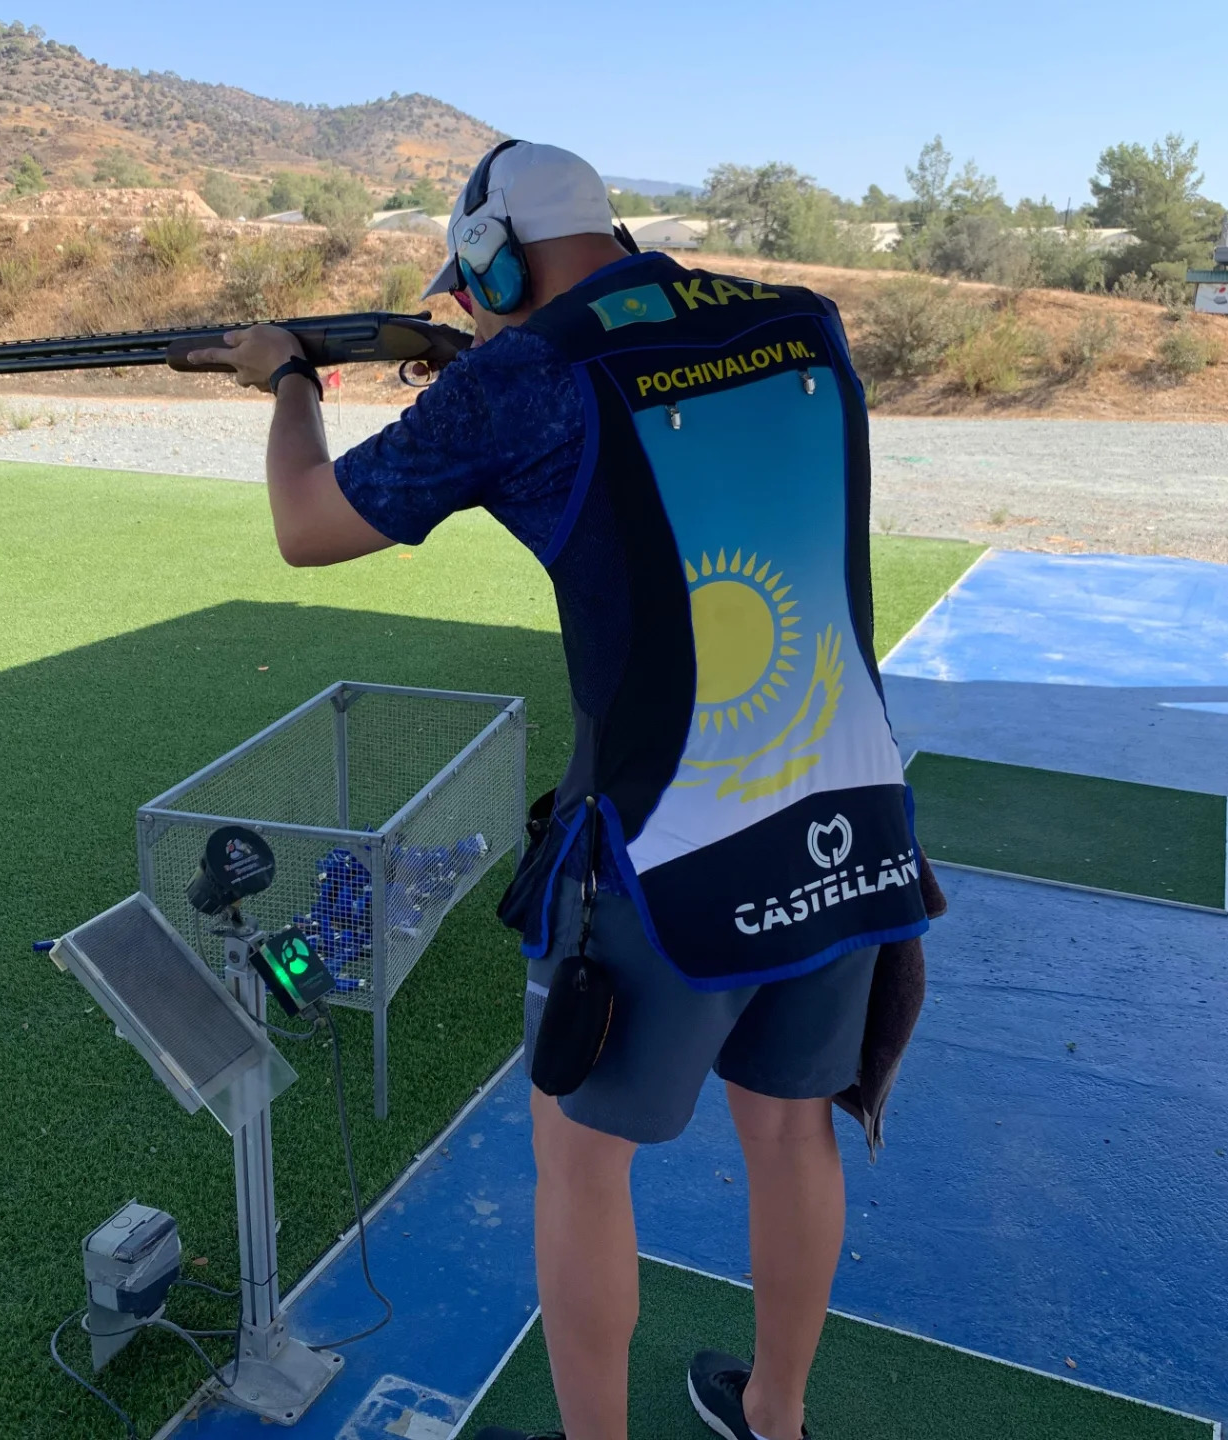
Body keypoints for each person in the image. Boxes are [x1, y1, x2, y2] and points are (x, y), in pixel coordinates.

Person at [189, 141, 936, 1440]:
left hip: (662, 843)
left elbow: (306, 524)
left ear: (490, 262)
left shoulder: (525, 377)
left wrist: (291, 380)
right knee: (791, 1134)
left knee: (580, 1163)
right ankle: (778, 1417)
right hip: (849, 814)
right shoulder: (803, 320)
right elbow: (649, 412)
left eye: (470, 288)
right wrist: (481, 369)